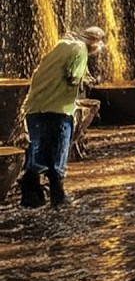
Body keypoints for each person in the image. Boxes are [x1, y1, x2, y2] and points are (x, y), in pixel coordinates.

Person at [19, 27, 105, 207]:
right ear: (94, 41)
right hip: (59, 109)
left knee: (37, 148)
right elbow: (73, 77)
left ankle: (31, 195)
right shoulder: (81, 50)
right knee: (59, 151)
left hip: (35, 106)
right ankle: (58, 198)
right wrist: (88, 81)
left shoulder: (61, 45)